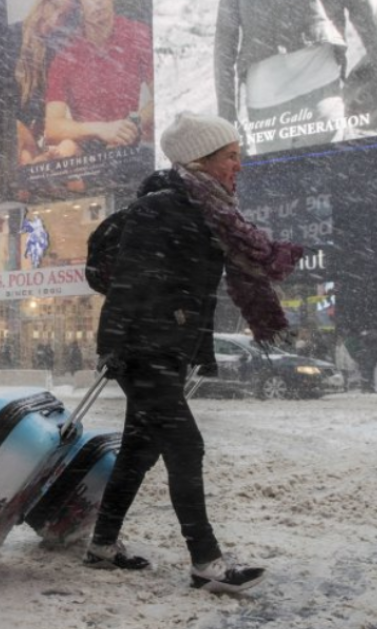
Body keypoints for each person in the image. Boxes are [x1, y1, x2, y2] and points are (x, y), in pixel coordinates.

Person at [87, 112, 303, 593]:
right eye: (231, 156)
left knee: (140, 450)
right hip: (143, 349)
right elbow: (130, 280)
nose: (239, 166)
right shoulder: (162, 207)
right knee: (186, 445)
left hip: (165, 347)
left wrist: (193, 348)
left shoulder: (207, 211)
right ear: (202, 160)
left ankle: (101, 545)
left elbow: (191, 294)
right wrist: (116, 347)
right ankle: (206, 562)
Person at [215, 0, 377, 153]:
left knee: (282, 188)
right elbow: (367, 7)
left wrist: (228, 117)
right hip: (319, 86)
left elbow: (225, 40)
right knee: (334, 183)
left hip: (265, 103)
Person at [43, 0, 154, 157]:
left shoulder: (137, 34)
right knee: (66, 150)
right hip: (87, 152)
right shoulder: (65, 55)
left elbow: (162, 96)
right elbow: (52, 127)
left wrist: (129, 128)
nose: (99, 2)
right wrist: (102, 129)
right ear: (79, 5)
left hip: (132, 146)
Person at [13, 0, 81, 165]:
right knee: (21, 146)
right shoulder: (13, 39)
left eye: (65, 16)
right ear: (42, 4)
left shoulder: (59, 50)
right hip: (24, 136)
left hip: (48, 135)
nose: (56, 19)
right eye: (55, 7)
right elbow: (10, 115)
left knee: (67, 147)